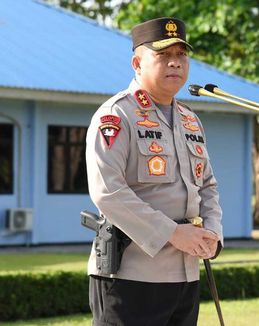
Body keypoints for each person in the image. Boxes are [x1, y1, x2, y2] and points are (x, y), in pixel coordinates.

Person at [85, 17, 223, 326]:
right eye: (163, 55)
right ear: (137, 62)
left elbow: (208, 186)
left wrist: (213, 232)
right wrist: (173, 233)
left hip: (185, 277)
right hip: (131, 277)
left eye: (181, 55)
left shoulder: (190, 121)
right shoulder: (117, 115)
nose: (175, 63)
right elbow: (107, 190)